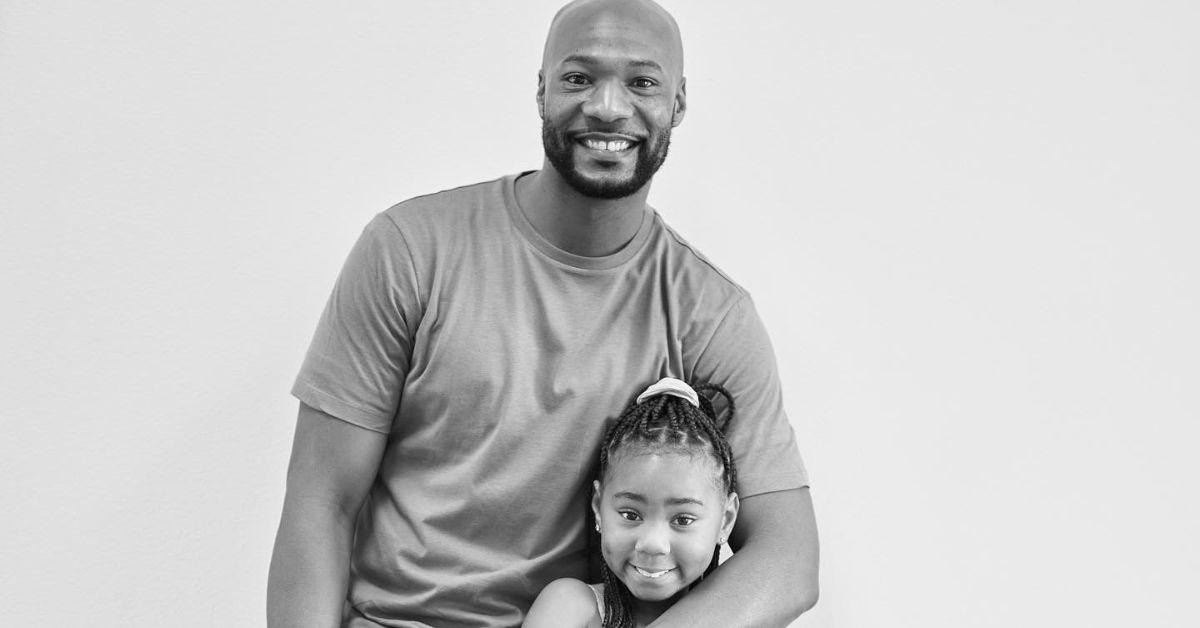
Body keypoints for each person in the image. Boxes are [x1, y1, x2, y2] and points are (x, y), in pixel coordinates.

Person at [267, 0, 819, 626]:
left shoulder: (709, 312)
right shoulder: (411, 249)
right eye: (579, 78)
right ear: (540, 91)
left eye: (642, 82)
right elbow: (322, 501)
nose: (609, 107)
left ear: (679, 103)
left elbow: (788, 557)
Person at [523, 378, 742, 628]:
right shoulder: (570, 606)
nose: (652, 544)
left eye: (683, 519)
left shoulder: (737, 617)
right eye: (630, 515)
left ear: (725, 520)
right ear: (598, 507)